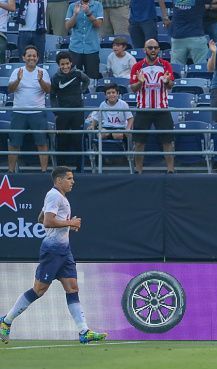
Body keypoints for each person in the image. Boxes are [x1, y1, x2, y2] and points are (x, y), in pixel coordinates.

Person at [0, 167, 108, 345]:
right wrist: (69, 222)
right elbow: (48, 221)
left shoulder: (58, 197)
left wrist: (67, 224)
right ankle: (6, 321)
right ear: (59, 180)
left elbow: (40, 218)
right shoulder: (54, 195)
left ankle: (84, 332)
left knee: (72, 288)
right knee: (39, 290)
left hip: (64, 251)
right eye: (69, 178)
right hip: (52, 251)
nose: (73, 181)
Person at [129, 38, 175, 174]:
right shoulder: (137, 67)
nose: (153, 50)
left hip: (162, 108)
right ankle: (138, 171)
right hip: (143, 109)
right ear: (144, 50)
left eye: (155, 47)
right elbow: (133, 88)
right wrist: (140, 82)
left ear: (159, 49)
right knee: (138, 142)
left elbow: (171, 85)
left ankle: (171, 170)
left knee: (167, 141)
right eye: (150, 47)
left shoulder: (166, 65)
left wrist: (167, 81)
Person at [7, 45, 51, 173]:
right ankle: (10, 172)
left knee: (42, 143)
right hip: (19, 112)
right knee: (14, 144)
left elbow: (48, 90)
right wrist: (18, 80)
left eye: (34, 56)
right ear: (23, 57)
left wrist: (41, 80)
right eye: (29, 55)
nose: (31, 58)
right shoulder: (17, 71)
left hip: (38, 112)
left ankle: (44, 172)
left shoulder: (43, 72)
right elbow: (10, 90)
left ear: (37, 58)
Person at [51, 51, 91, 172]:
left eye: (67, 63)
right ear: (59, 65)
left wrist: (81, 91)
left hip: (77, 112)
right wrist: (56, 111)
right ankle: (61, 171)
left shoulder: (78, 74)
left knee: (77, 141)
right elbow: (52, 96)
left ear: (71, 63)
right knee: (62, 141)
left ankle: (80, 169)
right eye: (62, 64)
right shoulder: (55, 78)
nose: (65, 66)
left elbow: (87, 81)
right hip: (62, 114)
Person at [65, 0, 104, 79]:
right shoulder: (72, 6)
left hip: (92, 48)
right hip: (75, 48)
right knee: (73, 78)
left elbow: (98, 24)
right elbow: (67, 26)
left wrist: (88, 13)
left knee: (92, 79)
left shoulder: (98, 5)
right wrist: (75, 14)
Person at [170, 0, 208, 67]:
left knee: (176, 68)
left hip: (178, 36)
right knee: (202, 68)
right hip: (196, 35)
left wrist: (165, 16)